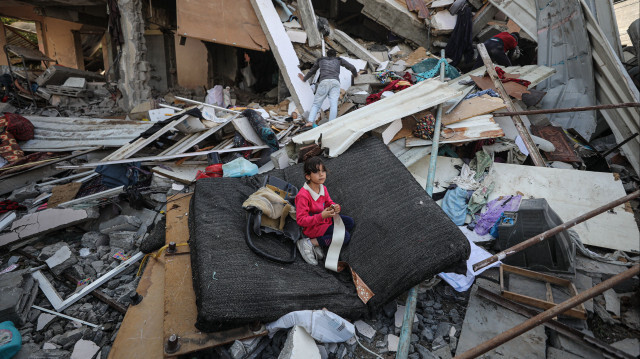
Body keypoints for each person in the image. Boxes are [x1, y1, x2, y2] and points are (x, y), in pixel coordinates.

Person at [295, 156, 355, 265]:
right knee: (345, 237)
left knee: (349, 222)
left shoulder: (322, 188)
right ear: (308, 176)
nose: (322, 174)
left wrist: (335, 207)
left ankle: (320, 242)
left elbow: (328, 202)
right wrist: (321, 216)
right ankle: (308, 242)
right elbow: (301, 221)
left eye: (323, 171)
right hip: (312, 227)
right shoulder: (303, 196)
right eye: (317, 172)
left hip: (324, 220)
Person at [298, 49, 358, 127]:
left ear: (327, 55)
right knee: (333, 104)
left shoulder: (321, 60)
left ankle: (310, 121)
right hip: (335, 82)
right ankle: (331, 124)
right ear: (335, 55)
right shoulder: (339, 60)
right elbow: (352, 67)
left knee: (316, 104)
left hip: (324, 82)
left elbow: (312, 71)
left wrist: (304, 79)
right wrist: (355, 75)